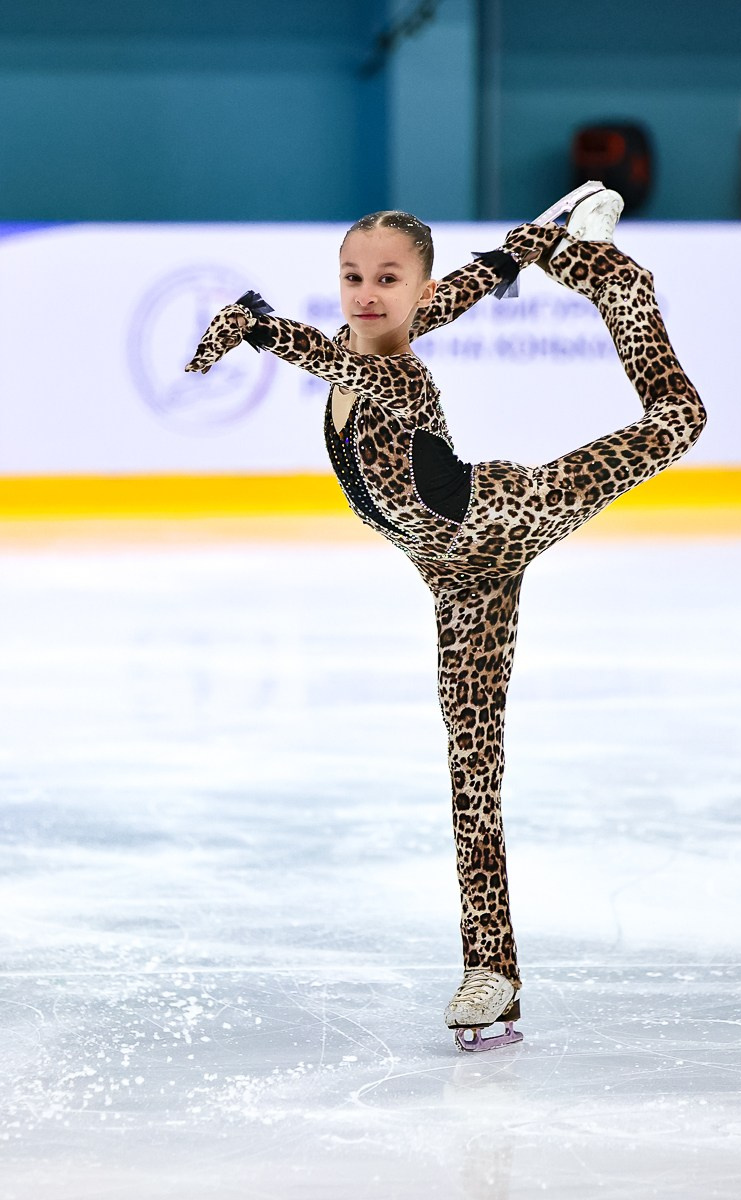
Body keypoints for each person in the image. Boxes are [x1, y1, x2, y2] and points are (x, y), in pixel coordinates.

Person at [185, 182, 707, 1052]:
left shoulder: (395, 372)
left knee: (681, 417)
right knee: (472, 771)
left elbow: (337, 359)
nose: (367, 292)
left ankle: (617, 281)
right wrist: (511, 254)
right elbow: (454, 295)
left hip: (506, 516)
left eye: (388, 278)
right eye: (354, 276)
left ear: (413, 289)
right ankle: (490, 971)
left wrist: (259, 325)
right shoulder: (371, 338)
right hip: (457, 584)